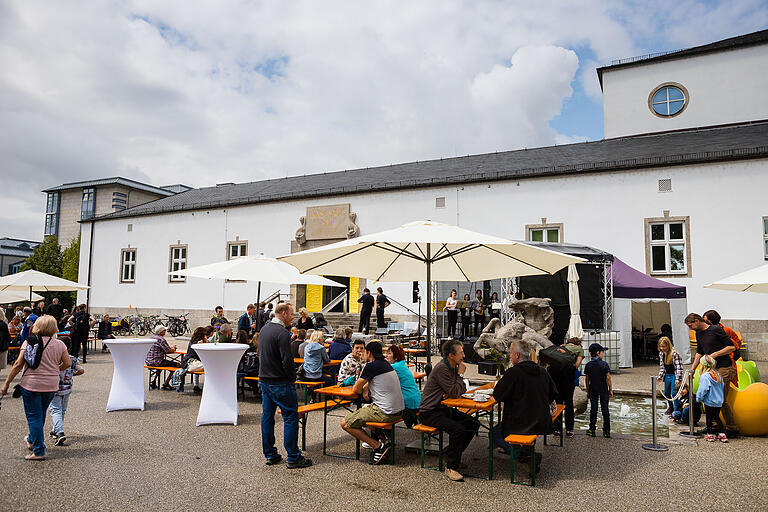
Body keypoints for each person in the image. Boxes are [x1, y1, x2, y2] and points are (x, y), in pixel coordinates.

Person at [1, 315, 71, 460]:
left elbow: (18, 364)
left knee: (33, 417)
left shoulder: (29, 342)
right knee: (41, 414)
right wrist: (56, 369)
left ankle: (39, 451)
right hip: (51, 385)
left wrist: (7, 382)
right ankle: (33, 440)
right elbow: (68, 363)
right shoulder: (59, 344)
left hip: (31, 384)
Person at [258, 302, 312, 468]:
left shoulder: (264, 330)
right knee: (290, 417)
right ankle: (293, 456)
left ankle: (270, 454)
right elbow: (286, 360)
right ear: (282, 314)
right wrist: (291, 378)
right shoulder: (282, 333)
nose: (292, 317)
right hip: (280, 381)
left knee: (267, 417)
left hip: (265, 379)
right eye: (290, 314)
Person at [419, 339, 478, 482]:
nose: (463, 356)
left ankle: (450, 453)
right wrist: (461, 376)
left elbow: (458, 391)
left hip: (443, 408)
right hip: (429, 412)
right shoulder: (443, 369)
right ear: (451, 355)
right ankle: (451, 466)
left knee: (472, 424)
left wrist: (454, 388)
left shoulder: (452, 367)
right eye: (461, 352)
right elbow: (454, 391)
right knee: (458, 429)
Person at [493, 339, 558, 469]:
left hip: (519, 421)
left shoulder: (513, 373)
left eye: (511, 353)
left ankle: (524, 457)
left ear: (517, 355)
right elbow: (552, 395)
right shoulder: (542, 372)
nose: (510, 356)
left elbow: (498, 395)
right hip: (541, 421)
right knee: (517, 432)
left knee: (494, 434)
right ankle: (526, 453)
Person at [340, 341, 404, 465]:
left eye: (363, 351)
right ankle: (383, 441)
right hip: (399, 411)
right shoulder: (386, 364)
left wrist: (364, 387)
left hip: (386, 412)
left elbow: (356, 389)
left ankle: (377, 446)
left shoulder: (371, 366)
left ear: (368, 353)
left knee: (345, 423)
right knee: (366, 410)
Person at [685, 313, 737, 432]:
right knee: (709, 398)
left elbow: (731, 347)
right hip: (711, 369)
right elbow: (699, 351)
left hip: (724, 367)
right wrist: (693, 369)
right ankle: (713, 426)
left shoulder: (716, 330)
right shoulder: (698, 333)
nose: (690, 328)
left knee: (720, 399)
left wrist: (714, 355)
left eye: (690, 325)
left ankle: (732, 428)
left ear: (697, 321)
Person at [48, 337, 84, 446]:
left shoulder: (54, 358)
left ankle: (59, 432)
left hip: (55, 387)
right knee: (62, 410)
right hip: (67, 388)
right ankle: (56, 429)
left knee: (55, 409)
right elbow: (81, 370)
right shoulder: (72, 359)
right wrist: (72, 374)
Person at [547, 337, 583, 438]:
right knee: (569, 405)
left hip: (556, 384)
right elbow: (576, 367)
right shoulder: (575, 356)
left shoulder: (552, 365)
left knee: (558, 404)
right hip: (568, 384)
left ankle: (557, 429)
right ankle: (569, 429)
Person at [385, 344, 421, 427]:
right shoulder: (401, 365)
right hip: (415, 398)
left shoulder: (394, 367)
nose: (386, 355)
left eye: (389, 353)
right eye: (387, 353)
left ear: (396, 357)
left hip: (408, 401)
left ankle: (385, 433)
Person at [703, 309, 742, 384]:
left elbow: (737, 342)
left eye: (706, 320)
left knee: (728, 382)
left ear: (711, 321)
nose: (704, 322)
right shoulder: (706, 331)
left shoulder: (726, 330)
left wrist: (730, 353)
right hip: (713, 361)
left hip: (727, 362)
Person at [584, 343, 613, 438]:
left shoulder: (588, 365)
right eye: (602, 352)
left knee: (594, 409)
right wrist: (610, 390)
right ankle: (607, 431)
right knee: (605, 409)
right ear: (597, 353)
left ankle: (592, 430)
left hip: (593, 389)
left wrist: (588, 390)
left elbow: (587, 379)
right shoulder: (604, 364)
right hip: (603, 389)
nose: (603, 354)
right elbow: (608, 377)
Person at [696, 355, 726, 442]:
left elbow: (703, 389)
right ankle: (722, 434)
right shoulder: (718, 375)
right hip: (719, 401)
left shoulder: (705, 376)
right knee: (717, 417)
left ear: (703, 365)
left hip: (709, 401)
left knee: (709, 418)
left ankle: (709, 434)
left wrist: (699, 398)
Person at [145, 325, 179, 390]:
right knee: (176, 365)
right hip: (156, 361)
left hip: (148, 361)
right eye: (164, 330)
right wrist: (174, 348)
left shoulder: (151, 337)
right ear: (161, 332)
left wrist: (170, 348)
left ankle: (153, 381)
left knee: (161, 365)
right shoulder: (161, 339)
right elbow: (168, 351)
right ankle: (166, 384)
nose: (165, 332)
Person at [657, 336, 683, 416]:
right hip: (667, 375)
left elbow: (679, 368)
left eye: (663, 346)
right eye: (660, 346)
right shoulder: (661, 354)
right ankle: (670, 407)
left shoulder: (674, 354)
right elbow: (662, 367)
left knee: (673, 393)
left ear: (668, 345)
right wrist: (660, 376)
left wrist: (678, 379)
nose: (662, 348)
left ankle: (676, 410)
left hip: (674, 374)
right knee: (666, 393)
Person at [178, 327, 207, 393]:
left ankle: (196, 385)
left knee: (206, 366)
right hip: (191, 362)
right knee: (209, 367)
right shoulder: (199, 343)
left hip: (186, 362)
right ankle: (204, 386)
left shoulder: (192, 341)